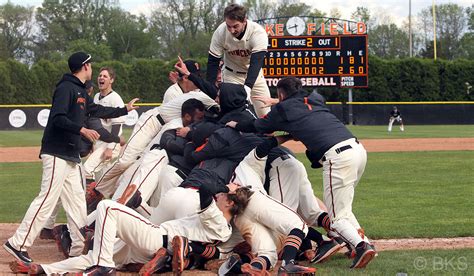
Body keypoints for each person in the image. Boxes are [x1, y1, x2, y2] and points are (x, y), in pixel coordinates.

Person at [227, 77, 377, 269]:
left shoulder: (283, 109)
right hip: (358, 150)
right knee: (343, 208)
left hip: (337, 157)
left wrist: (236, 125)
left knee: (337, 217)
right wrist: (278, 101)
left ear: (281, 94)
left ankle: (361, 246)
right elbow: (298, 102)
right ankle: (363, 243)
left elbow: (258, 127)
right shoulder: (314, 99)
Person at [3, 51, 139, 263]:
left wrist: (124, 109)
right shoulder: (66, 88)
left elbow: (97, 110)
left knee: (77, 202)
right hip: (57, 152)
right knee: (47, 198)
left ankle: (78, 248)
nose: (92, 69)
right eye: (91, 65)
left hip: (70, 155)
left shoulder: (81, 90)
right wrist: (82, 130)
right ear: (85, 67)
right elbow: (57, 119)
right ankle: (17, 243)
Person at [10, 184, 252, 275]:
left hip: (157, 238)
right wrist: (43, 268)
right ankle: (45, 270)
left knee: (107, 206)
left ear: (229, 203)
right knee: (92, 258)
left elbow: (206, 190)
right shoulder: (218, 224)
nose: (221, 194)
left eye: (225, 194)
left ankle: (103, 267)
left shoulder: (221, 224)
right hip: (149, 245)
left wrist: (227, 186)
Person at [206, 3, 271, 117]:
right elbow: (213, 61)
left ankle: (267, 135)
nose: (231, 30)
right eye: (228, 26)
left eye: (235, 26)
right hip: (232, 75)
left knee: (265, 113)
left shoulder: (257, 32)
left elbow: (256, 63)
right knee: (232, 114)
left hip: (254, 76)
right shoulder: (220, 32)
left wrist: (248, 87)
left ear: (244, 21)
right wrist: (211, 89)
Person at [83, 67, 126, 182]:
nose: (101, 78)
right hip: (100, 141)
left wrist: (110, 148)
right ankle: (110, 197)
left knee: (87, 169)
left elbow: (117, 127)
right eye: (100, 76)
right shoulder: (96, 97)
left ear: (111, 80)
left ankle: (87, 199)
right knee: (102, 181)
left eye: (105, 76)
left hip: (111, 142)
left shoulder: (116, 99)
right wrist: (93, 143)